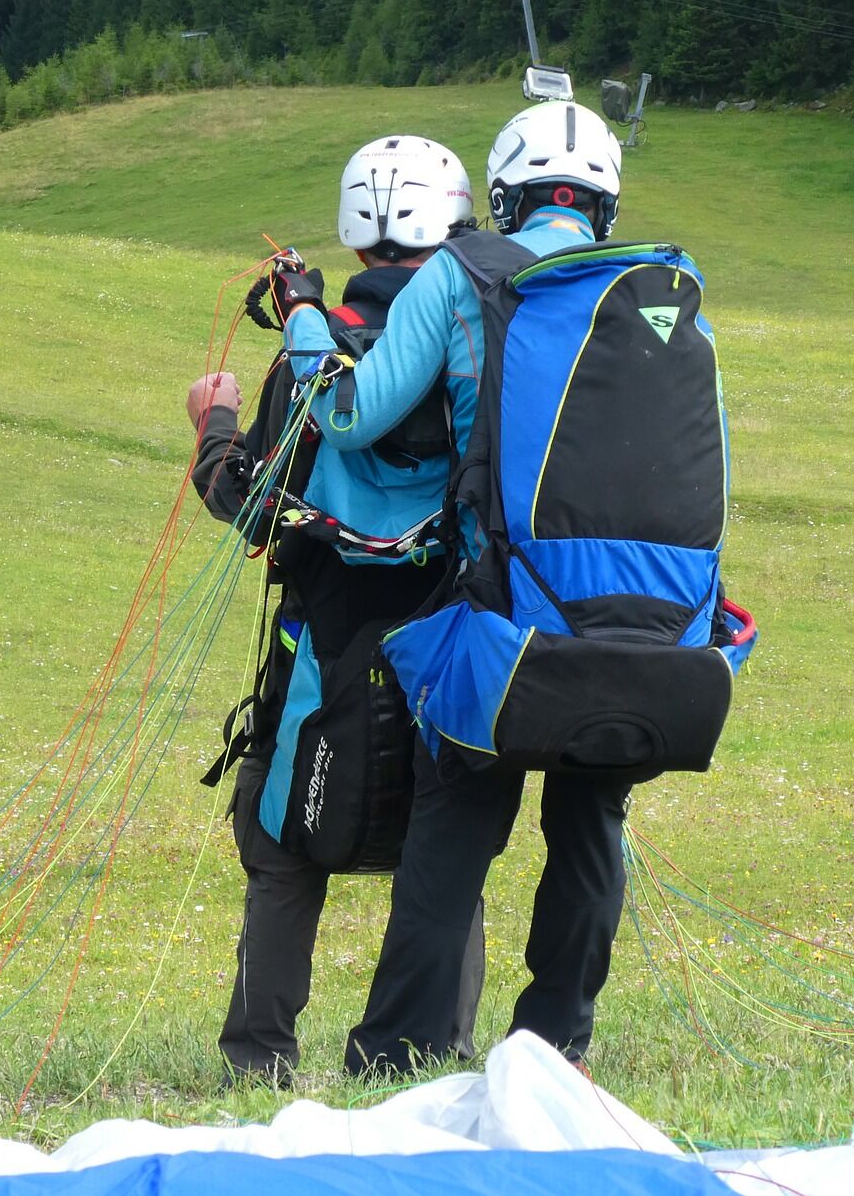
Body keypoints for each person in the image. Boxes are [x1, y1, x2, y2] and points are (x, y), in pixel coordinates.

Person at [275, 101, 692, 1075]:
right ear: (605, 201)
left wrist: (302, 315)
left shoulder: (462, 278)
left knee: (456, 816)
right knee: (591, 819)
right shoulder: (659, 291)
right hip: (641, 625)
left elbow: (349, 411)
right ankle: (556, 1047)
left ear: (499, 196)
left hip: (499, 616)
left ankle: (398, 1052)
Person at [187, 135, 483, 1084]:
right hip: (450, 650)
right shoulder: (478, 356)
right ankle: (434, 1052)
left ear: (357, 239)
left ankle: (258, 1060)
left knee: (281, 844)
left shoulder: (312, 357)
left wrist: (217, 427)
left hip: (324, 644)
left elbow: (251, 507)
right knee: (447, 845)